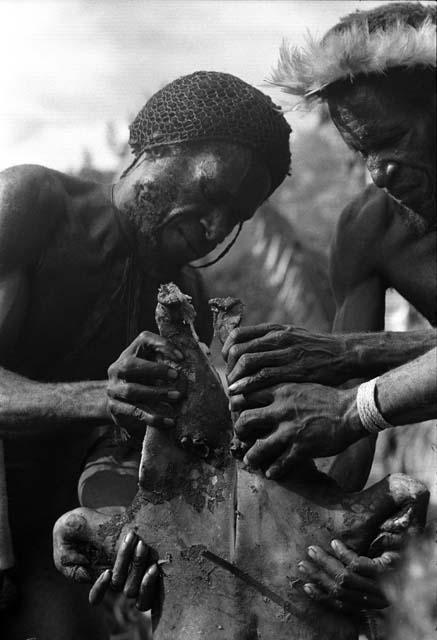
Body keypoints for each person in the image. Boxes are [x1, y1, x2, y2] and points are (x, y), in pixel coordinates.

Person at [0, 70, 291, 639]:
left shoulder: (183, 301)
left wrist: (139, 524)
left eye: (237, 217)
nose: (215, 227)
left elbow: (149, 455)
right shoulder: (32, 204)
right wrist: (99, 398)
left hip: (54, 543)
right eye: (212, 195)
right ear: (154, 150)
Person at [222, 1, 436, 614]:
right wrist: (340, 532)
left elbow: (354, 395)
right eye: (357, 150)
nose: (378, 171)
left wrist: (353, 383)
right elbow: (347, 436)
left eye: (393, 139)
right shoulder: (370, 230)